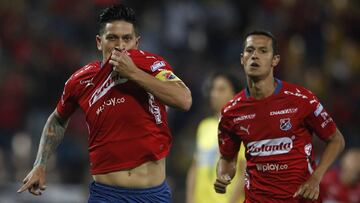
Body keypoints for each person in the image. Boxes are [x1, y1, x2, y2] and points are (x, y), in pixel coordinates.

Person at [17, 4, 192, 202]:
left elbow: (184, 100)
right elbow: (57, 120)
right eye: (112, 38)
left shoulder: (152, 65)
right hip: (106, 195)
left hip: (152, 195)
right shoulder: (80, 81)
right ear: (99, 42)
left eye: (127, 38)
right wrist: (40, 164)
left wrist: (133, 73)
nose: (120, 45)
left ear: (137, 42)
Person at [213, 30, 345, 203]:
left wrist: (316, 177)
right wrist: (224, 176)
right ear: (242, 58)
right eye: (250, 50)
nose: (255, 56)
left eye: (263, 51)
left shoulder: (301, 99)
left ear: (275, 60)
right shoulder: (231, 112)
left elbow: (336, 140)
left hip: (299, 199)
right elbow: (227, 159)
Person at [186, 72, 246, 203]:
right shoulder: (204, 126)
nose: (214, 94)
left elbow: (245, 174)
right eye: (213, 89)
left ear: (235, 95)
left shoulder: (241, 127)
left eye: (221, 89)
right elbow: (195, 167)